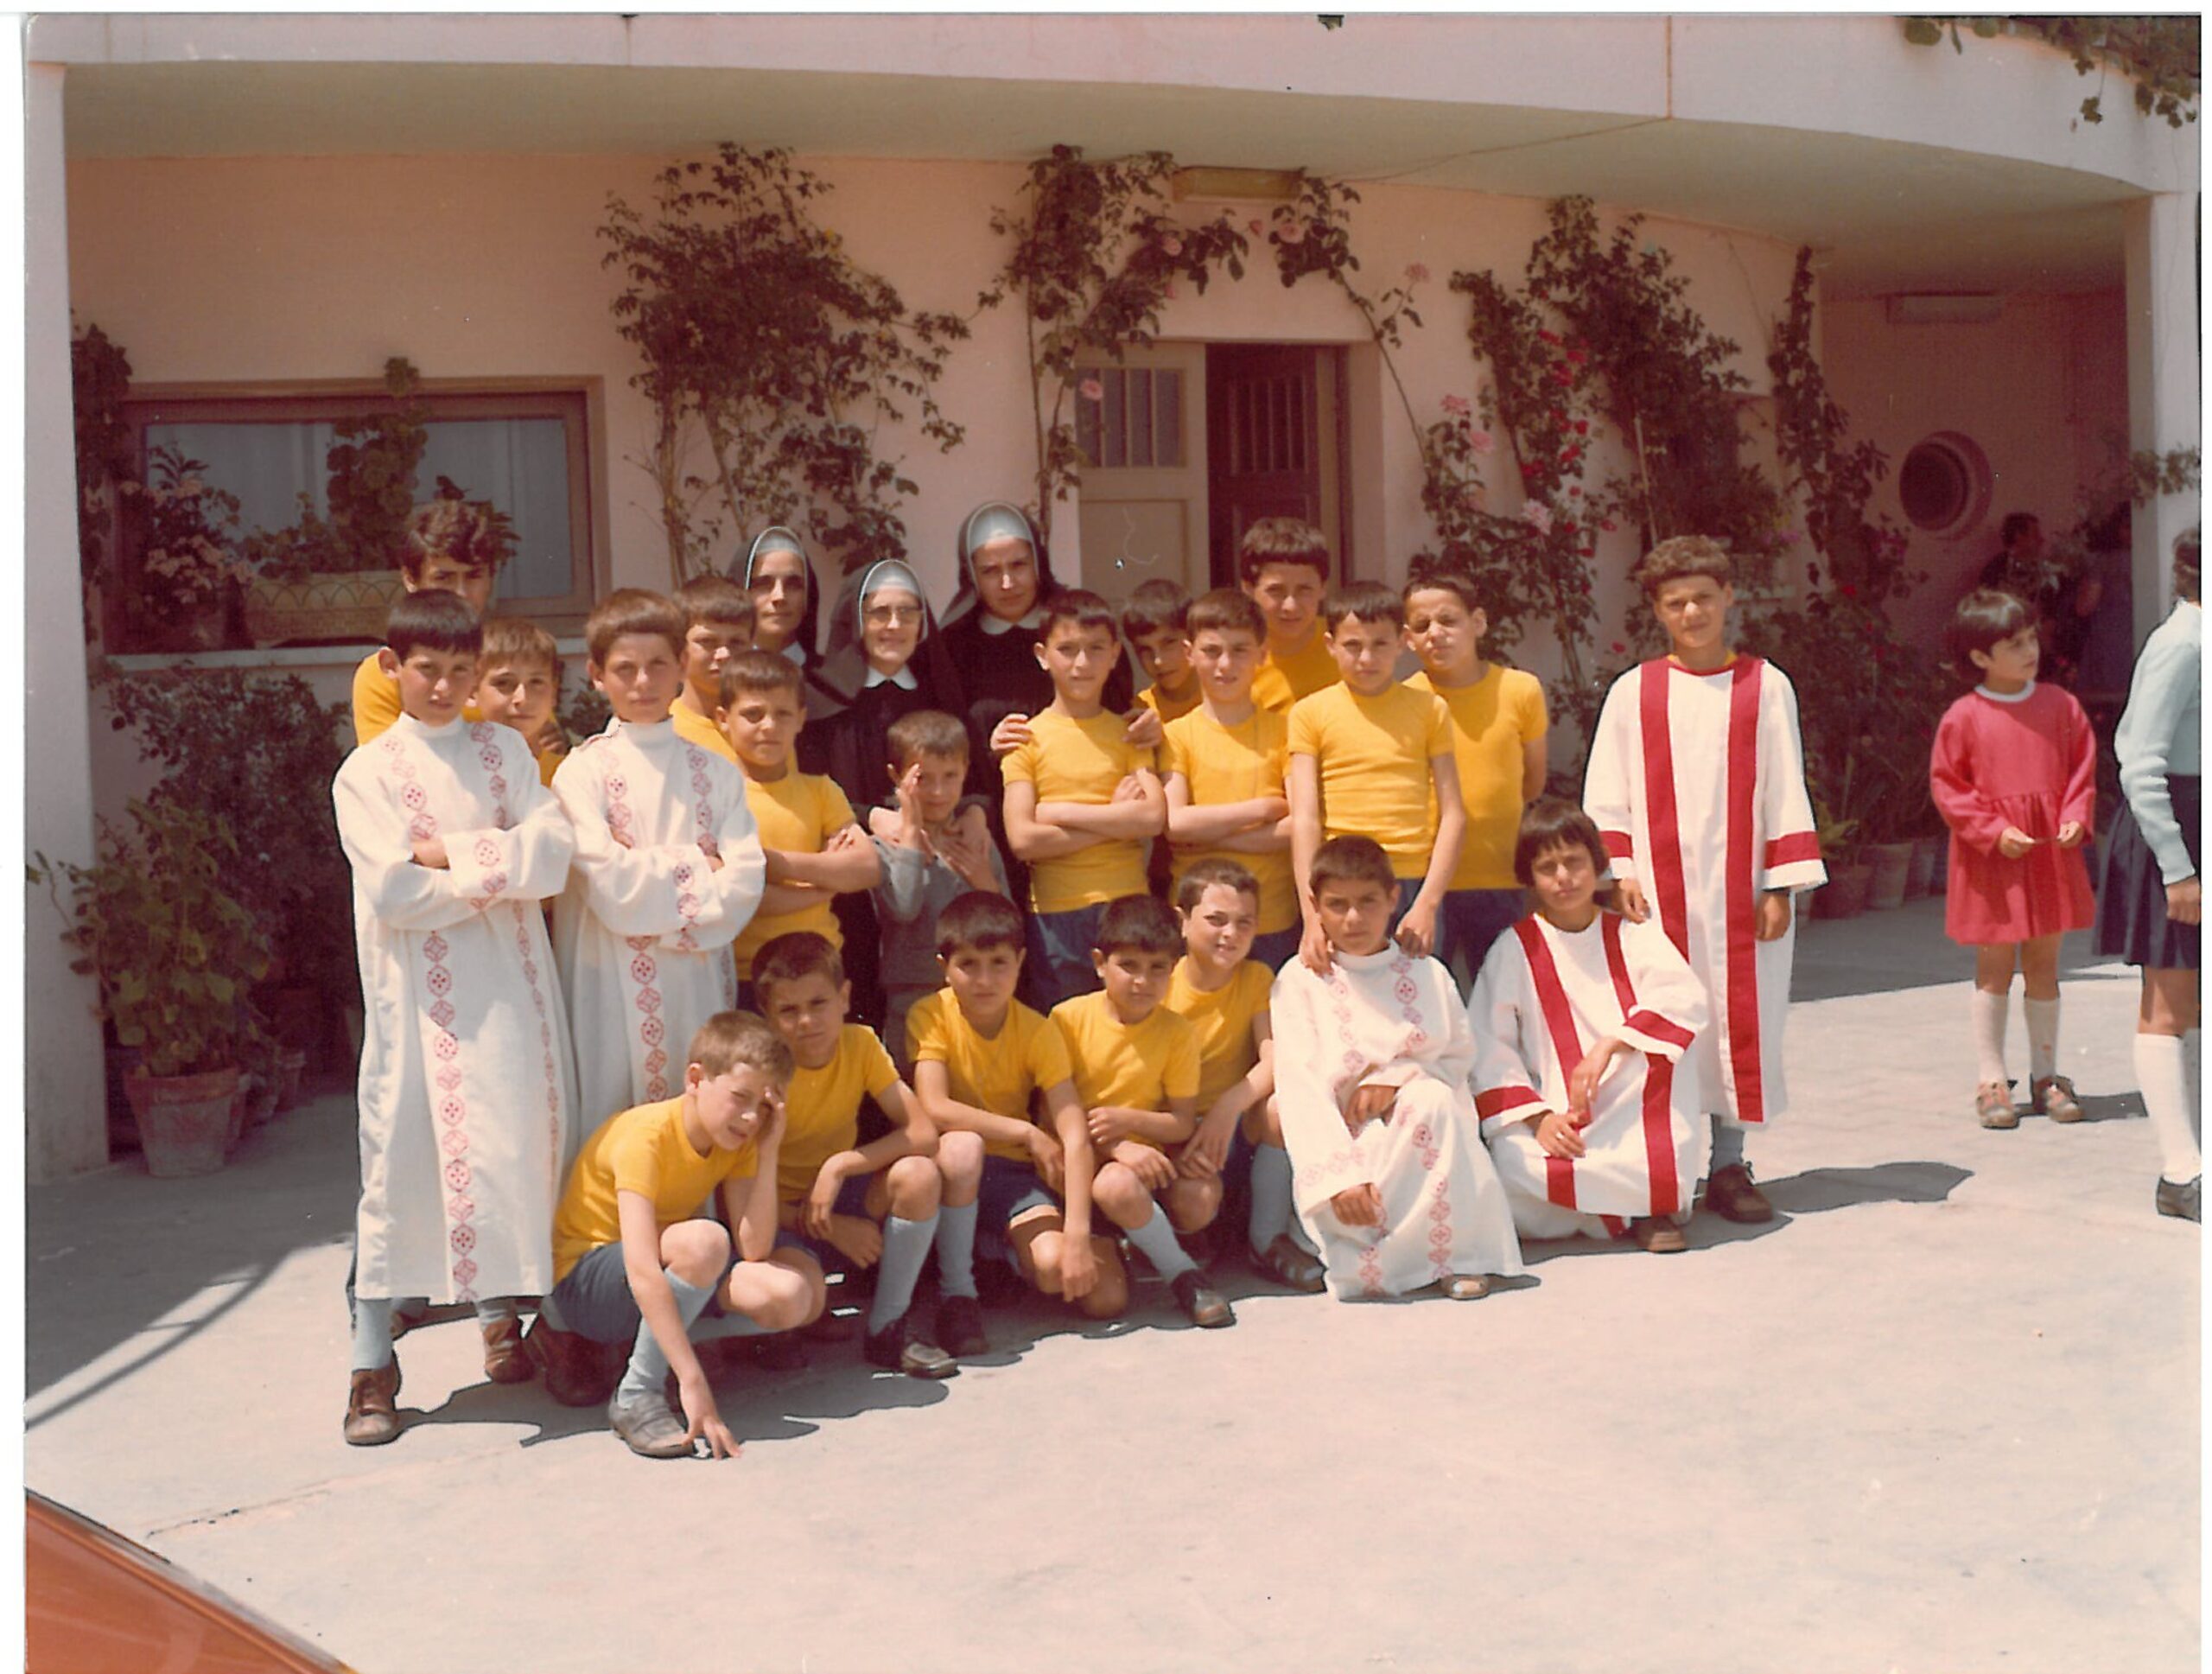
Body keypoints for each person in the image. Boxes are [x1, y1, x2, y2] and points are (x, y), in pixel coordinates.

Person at [330, 590, 579, 1445]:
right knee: (402, 1164)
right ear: (392, 667)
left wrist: (450, 854)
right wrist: (497, 867)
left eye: (459, 670)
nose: (442, 686)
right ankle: (372, 1362)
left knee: (513, 1152)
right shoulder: (366, 774)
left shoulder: (504, 750)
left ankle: (519, 1324)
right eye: (426, 669)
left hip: (510, 993)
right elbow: (394, 893)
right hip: (417, 1006)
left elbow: (552, 856)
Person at [1583, 535, 1826, 1224]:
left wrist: (1778, 885)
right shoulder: (1634, 692)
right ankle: (1667, 1168)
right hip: (1657, 897)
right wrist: (1620, 871)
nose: (1691, 613)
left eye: (1703, 598)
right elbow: (1607, 792)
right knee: (1666, 1018)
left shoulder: (1765, 685)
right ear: (1658, 609)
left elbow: (1785, 784)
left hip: (1742, 891)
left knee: (1738, 1021)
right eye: (1676, 602)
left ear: (1729, 597)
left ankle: (1728, 1164)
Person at [531, 1012, 823, 1459]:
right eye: (739, 1097)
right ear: (695, 1079)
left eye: (763, 1106)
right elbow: (641, 1268)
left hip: (657, 1272)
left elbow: (754, 1247)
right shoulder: (645, 1135)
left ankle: (645, 1353)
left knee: (792, 1297)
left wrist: (768, 1151)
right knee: (705, 1242)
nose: (750, 1117)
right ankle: (638, 1392)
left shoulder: (739, 1139)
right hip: (586, 1284)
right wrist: (692, 1379)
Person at [1268, 835, 1523, 1300]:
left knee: (1433, 1099)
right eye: (1337, 904)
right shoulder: (1301, 980)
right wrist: (1340, 1179)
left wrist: (1397, 1079)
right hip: (1346, 1141)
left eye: (1367, 901)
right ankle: (1369, 1248)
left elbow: (1456, 1057)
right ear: (1315, 906)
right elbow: (1299, 1087)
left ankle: (1457, 1257)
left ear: (1392, 898)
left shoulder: (1426, 973)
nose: (1353, 918)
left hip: (1426, 1130)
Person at [551, 589, 767, 1132]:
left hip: (696, 978)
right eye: (625, 669)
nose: (643, 682)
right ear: (596, 674)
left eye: (657, 665)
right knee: (615, 1120)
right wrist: (699, 868)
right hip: (606, 978)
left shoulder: (717, 772)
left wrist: (645, 872)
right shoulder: (581, 773)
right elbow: (610, 887)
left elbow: (745, 881)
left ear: (682, 664)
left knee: (698, 1111)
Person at [1469, 799, 1709, 1254]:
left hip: (1626, 1100)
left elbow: (1684, 999)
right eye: (1547, 867)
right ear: (1530, 878)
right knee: (1515, 1161)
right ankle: (1628, 1209)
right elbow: (1488, 1045)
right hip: (1556, 1107)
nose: (1564, 877)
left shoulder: (1632, 932)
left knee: (1660, 1063)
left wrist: (1610, 1046)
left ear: (1597, 864)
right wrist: (1539, 1118)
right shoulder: (1515, 948)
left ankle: (1640, 1210)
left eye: (1574, 862)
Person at [906, 891, 1116, 1340]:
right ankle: (958, 1295)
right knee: (963, 1149)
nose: (985, 980)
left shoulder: (1037, 1029)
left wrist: (1078, 1234)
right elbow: (935, 1107)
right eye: (969, 965)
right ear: (944, 967)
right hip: (948, 1169)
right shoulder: (931, 1014)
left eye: (999, 963)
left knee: (1068, 1277)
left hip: (1011, 1176)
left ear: (1020, 961)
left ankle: (995, 1251)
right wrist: (1026, 1131)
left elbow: (1074, 1134)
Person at [753, 932, 957, 1377]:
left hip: (837, 1198)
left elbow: (923, 1132)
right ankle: (780, 1328)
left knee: (919, 1175)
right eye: (789, 1010)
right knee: (797, 1301)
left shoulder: (860, 1043)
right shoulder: (759, 1072)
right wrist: (829, 1229)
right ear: (767, 1017)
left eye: (819, 1003)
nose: (807, 1021)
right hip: (777, 1220)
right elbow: (736, 1190)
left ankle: (888, 1327)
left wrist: (840, 1165)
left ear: (844, 997)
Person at [1930, 589, 2098, 1128]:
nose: (2031, 651)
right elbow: (1949, 787)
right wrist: (1993, 830)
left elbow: (2082, 770)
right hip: (1993, 862)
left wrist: (2075, 814)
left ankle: (2046, 1076)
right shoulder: (1963, 716)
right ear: (1980, 656)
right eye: (2015, 644)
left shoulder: (2061, 705)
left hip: (2048, 855)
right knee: (1995, 968)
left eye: (2031, 639)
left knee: (2045, 965)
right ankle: (1992, 1080)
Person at [1051, 894, 1235, 1327]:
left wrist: (1128, 1123)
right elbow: (1051, 1119)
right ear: (1100, 964)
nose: (1142, 981)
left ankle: (1181, 1273)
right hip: (1080, 1167)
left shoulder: (1176, 1032)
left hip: (1147, 1167)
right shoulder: (1066, 1020)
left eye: (1157, 969)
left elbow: (1182, 1122)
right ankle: (1133, 1248)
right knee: (1105, 1302)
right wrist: (1116, 1146)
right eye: (1128, 966)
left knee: (1198, 1197)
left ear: (1173, 970)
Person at [799, 557, 966, 1029]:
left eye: (907, 612)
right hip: (853, 875)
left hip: (930, 875)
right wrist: (872, 816)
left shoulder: (938, 690)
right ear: (856, 619)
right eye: (879, 612)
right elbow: (811, 786)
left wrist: (975, 809)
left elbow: (970, 774)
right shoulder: (822, 697)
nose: (894, 625)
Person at [2097, 531, 2202, 1219]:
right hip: (2177, 837)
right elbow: (2138, 763)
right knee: (2169, 1003)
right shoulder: (2183, 642)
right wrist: (2179, 870)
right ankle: (2181, 1173)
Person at [1287, 580, 1466, 973]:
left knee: (1416, 999)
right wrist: (1312, 913)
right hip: (1340, 885)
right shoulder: (1309, 713)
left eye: (1380, 644)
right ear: (1331, 644)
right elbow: (1305, 818)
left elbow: (1454, 813)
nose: (1366, 658)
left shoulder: (1430, 709)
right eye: (1353, 646)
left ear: (1402, 641)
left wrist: (1428, 904)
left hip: (1409, 883)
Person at [1002, 589, 1166, 1008]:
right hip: (1056, 912)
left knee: (1131, 1029)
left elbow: (1151, 818)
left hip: (1128, 903)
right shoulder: (1025, 739)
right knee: (1066, 1030)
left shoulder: (1129, 732)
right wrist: (1116, 819)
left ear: (1114, 655)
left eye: (1095, 649)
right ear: (1043, 655)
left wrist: (1059, 812)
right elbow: (1023, 839)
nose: (1082, 663)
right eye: (1068, 650)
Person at [1164, 859, 1322, 1292]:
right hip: (1181, 1131)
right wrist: (1176, 1144)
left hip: (1233, 1122)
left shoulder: (1255, 977)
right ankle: (1186, 1242)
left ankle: (1266, 1241)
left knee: (1279, 1109)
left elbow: (1275, 1055)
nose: (1230, 934)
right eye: (1216, 920)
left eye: (1244, 923)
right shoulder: (1164, 988)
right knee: (1196, 1201)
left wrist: (1229, 1104)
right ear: (1182, 921)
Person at [1402, 559, 1548, 990]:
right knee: (1427, 1003)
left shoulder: (1520, 690)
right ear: (1408, 639)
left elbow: (1532, 782)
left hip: (1501, 877)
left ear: (1478, 623)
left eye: (1448, 620)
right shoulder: (1405, 700)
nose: (1435, 633)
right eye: (1422, 625)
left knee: (1505, 1000)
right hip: (1426, 884)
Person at [716, 649, 880, 998]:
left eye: (783, 714)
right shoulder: (716, 798)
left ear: (801, 719)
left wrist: (775, 865)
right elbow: (744, 897)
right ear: (723, 719)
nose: (769, 726)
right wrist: (826, 880)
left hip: (821, 968)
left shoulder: (820, 790)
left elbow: (866, 868)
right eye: (753, 714)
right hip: (745, 976)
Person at [1160, 589, 1300, 971]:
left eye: (1240, 650)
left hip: (1271, 919)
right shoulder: (1176, 735)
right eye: (1212, 651)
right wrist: (1261, 809)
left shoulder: (1286, 731)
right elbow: (1176, 823)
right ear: (1189, 653)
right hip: (1198, 922)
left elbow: (1298, 825)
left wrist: (1209, 836)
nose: (1225, 664)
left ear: (1262, 654)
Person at [867, 709, 1011, 1061]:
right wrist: (911, 836)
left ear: (965, 771)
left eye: (950, 776)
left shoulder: (974, 837)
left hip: (979, 995)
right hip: (911, 995)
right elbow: (904, 907)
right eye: (924, 779)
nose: (938, 791)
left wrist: (983, 881)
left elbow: (1008, 923)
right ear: (896, 776)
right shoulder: (886, 843)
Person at [349, 496, 511, 745]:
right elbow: (388, 762)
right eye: (444, 578)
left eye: (473, 576)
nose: (461, 593)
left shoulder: (513, 661)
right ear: (411, 580)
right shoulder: (387, 674)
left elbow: (541, 755)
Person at [1979, 512, 2103, 688]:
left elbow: (2053, 612)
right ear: (2019, 536)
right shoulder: (1996, 570)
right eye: (2035, 534)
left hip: (2041, 650)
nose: (2041, 540)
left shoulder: (2046, 570)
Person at [1239, 517, 1341, 714]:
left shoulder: (1348, 647)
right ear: (1249, 589)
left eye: (1304, 590)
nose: (1290, 606)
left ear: (1323, 588)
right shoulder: (1231, 659)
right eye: (1276, 591)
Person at [473, 616, 569, 787]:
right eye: (504, 683)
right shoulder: (452, 772)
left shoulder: (569, 775)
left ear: (553, 692)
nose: (522, 698)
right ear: (472, 690)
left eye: (536, 682)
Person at [669, 573, 755, 763]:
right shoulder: (662, 732)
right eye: (707, 642)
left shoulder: (767, 731)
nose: (724, 654)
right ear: (679, 647)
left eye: (736, 642)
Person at [1123, 577, 1201, 726]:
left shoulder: (1228, 695)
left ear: (1193, 636)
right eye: (1145, 650)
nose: (1158, 660)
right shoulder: (1141, 711)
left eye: (1169, 643)